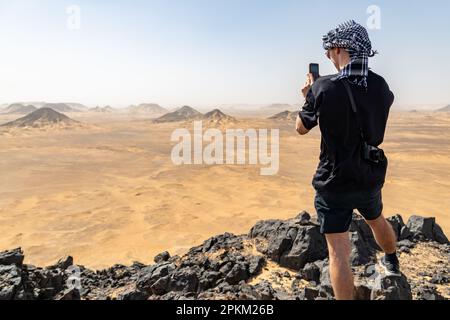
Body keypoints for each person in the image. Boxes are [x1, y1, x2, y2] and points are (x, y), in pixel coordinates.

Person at [296, 20, 398, 300]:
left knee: (338, 251)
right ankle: (392, 260)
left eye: (329, 52)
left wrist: (309, 96)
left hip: (334, 180)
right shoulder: (380, 85)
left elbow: (301, 127)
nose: (328, 57)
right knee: (377, 219)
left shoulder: (324, 88)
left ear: (340, 48)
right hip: (368, 174)